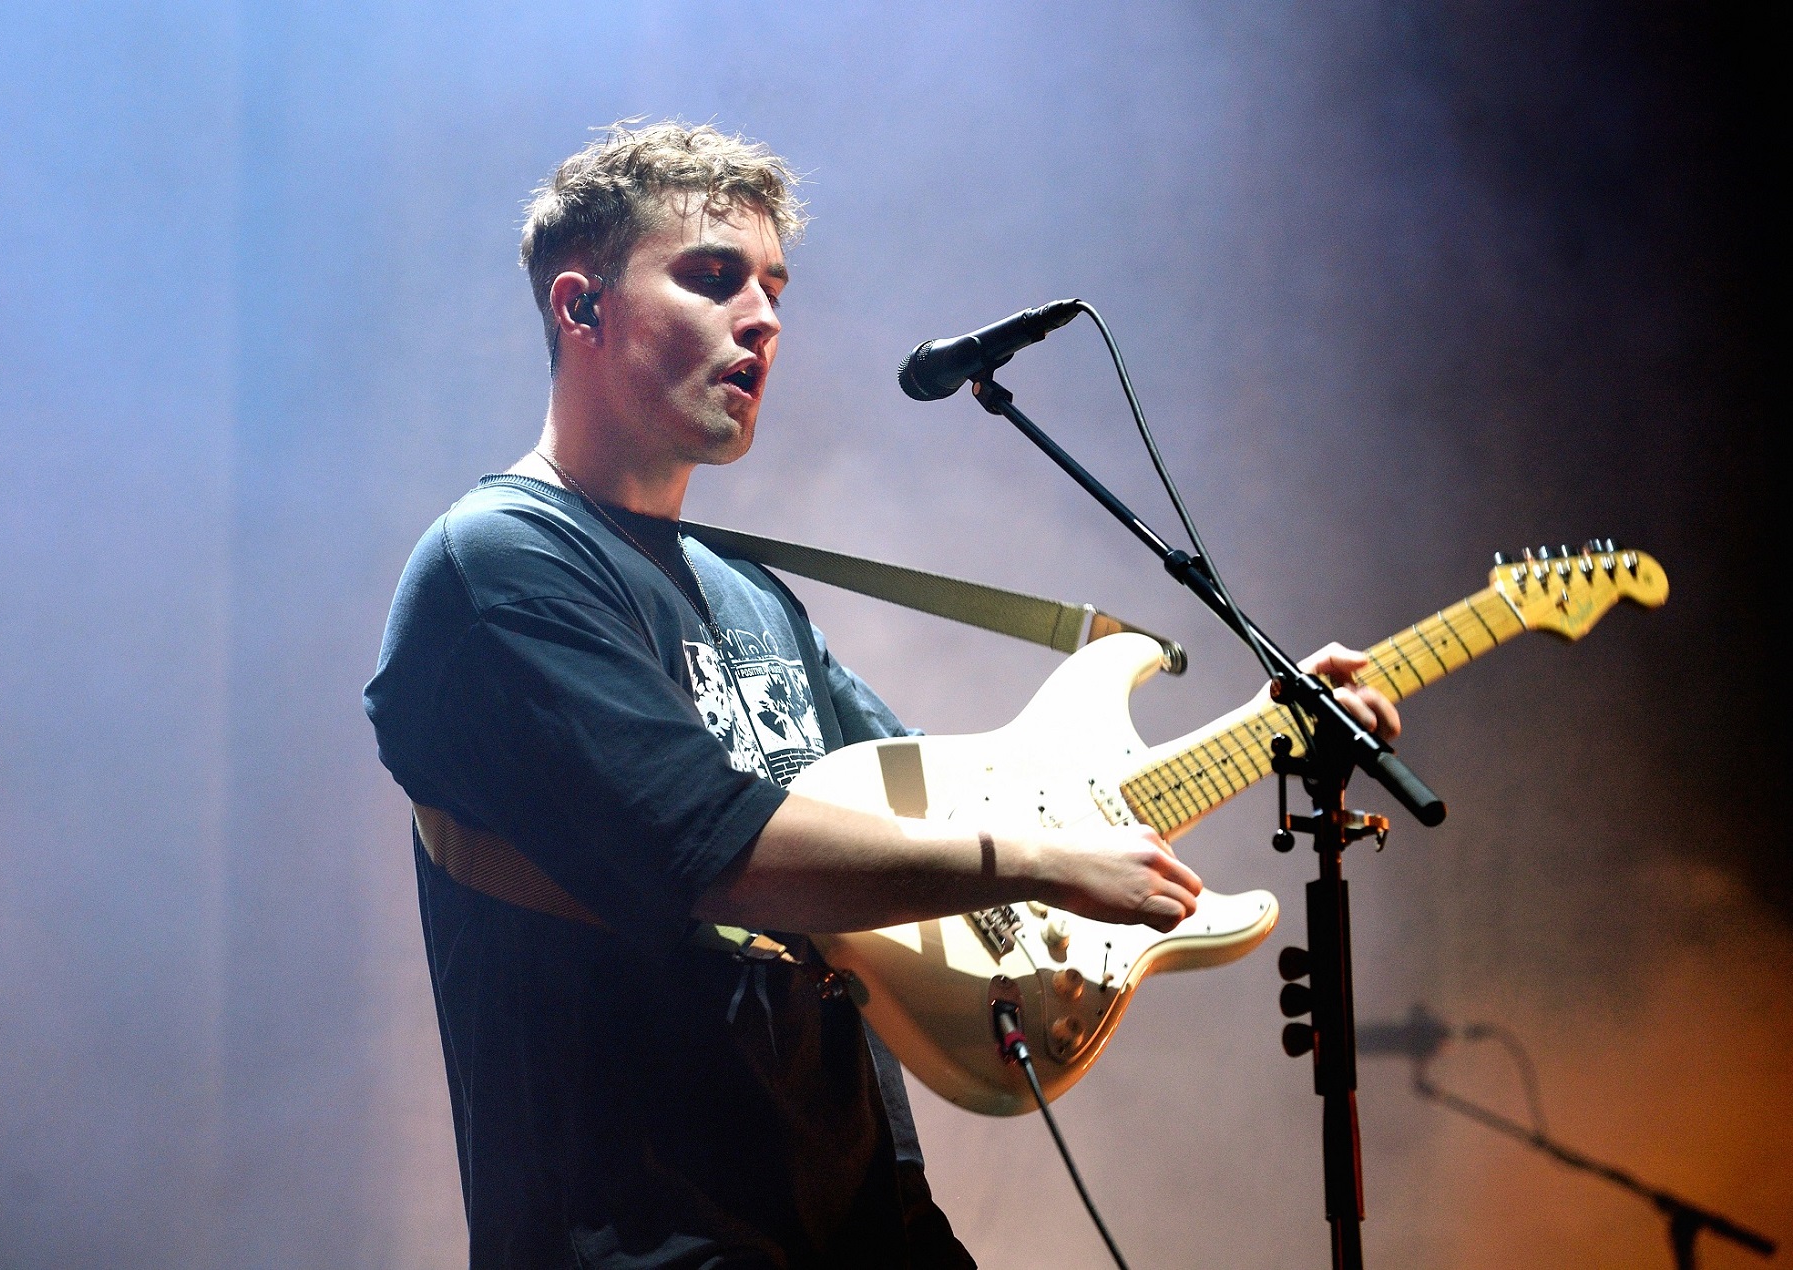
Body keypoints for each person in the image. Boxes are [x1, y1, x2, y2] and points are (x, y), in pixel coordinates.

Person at [364, 121, 1400, 1270]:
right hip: (648, 1237)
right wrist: (1037, 864)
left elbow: (947, 812)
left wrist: (1269, 730)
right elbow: (710, 845)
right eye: (712, 278)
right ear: (581, 308)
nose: (761, 317)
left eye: (772, 287)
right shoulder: (500, 566)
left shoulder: (748, 594)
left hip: (862, 1220)